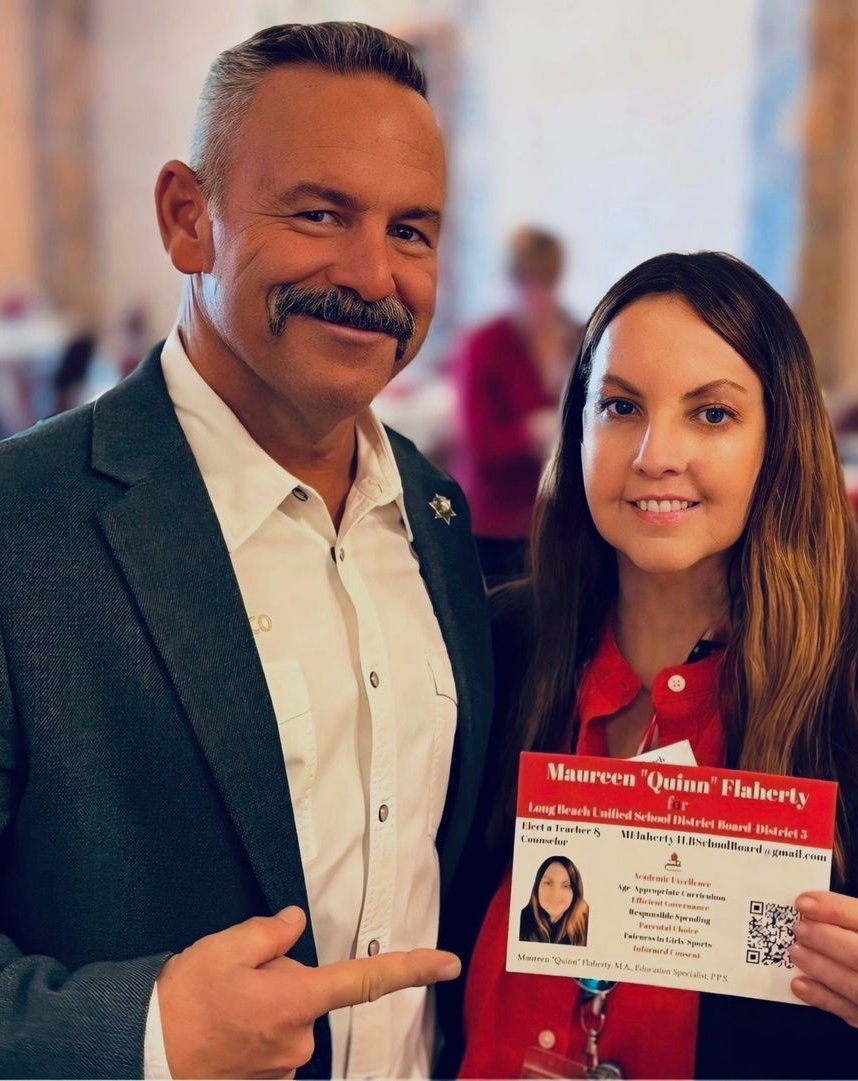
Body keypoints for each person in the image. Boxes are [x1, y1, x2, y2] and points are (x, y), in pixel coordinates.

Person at [0, 22, 492, 1080]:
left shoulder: (440, 523)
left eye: (412, 231)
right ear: (189, 218)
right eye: (320, 213)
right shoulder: (22, 530)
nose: (372, 273)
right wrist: (147, 1033)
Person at [441, 252, 858, 1079]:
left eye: (712, 415)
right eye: (621, 406)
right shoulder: (493, 647)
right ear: (577, 425)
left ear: (781, 440)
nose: (657, 454)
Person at [448, 227, 582, 583]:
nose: (537, 296)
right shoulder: (483, 344)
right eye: (526, 282)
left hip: (553, 519)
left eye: (547, 282)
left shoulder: (573, 336)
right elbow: (480, 445)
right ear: (509, 281)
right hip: (491, 522)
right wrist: (532, 432)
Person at [518, 856, 589, 946]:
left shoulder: (588, 927)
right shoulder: (519, 922)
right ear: (536, 887)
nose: (555, 893)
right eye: (547, 883)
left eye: (566, 886)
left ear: (575, 893)